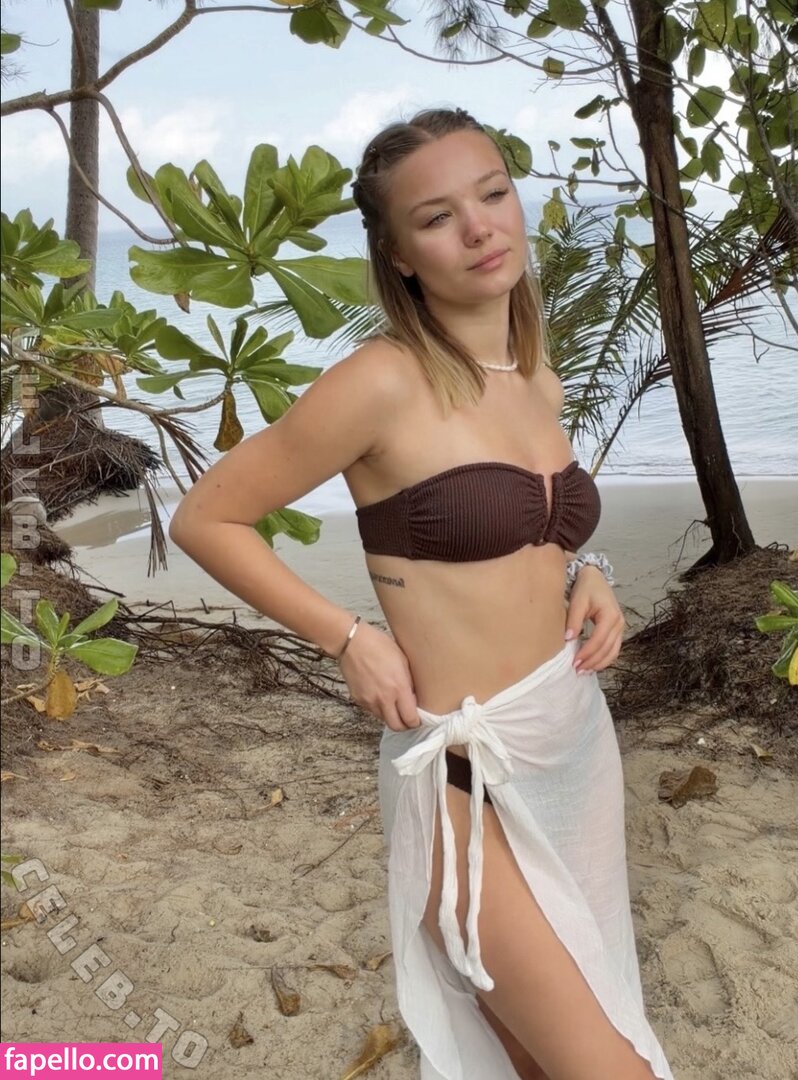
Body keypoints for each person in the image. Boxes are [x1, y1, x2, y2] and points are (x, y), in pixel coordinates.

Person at [169, 107, 674, 1080]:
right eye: (438, 217)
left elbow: (530, 535)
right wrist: (346, 636)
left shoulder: (533, 375)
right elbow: (207, 518)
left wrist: (589, 574)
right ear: (398, 256)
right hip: (461, 778)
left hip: (571, 743)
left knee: (536, 1055)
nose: (480, 228)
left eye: (493, 195)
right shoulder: (381, 382)